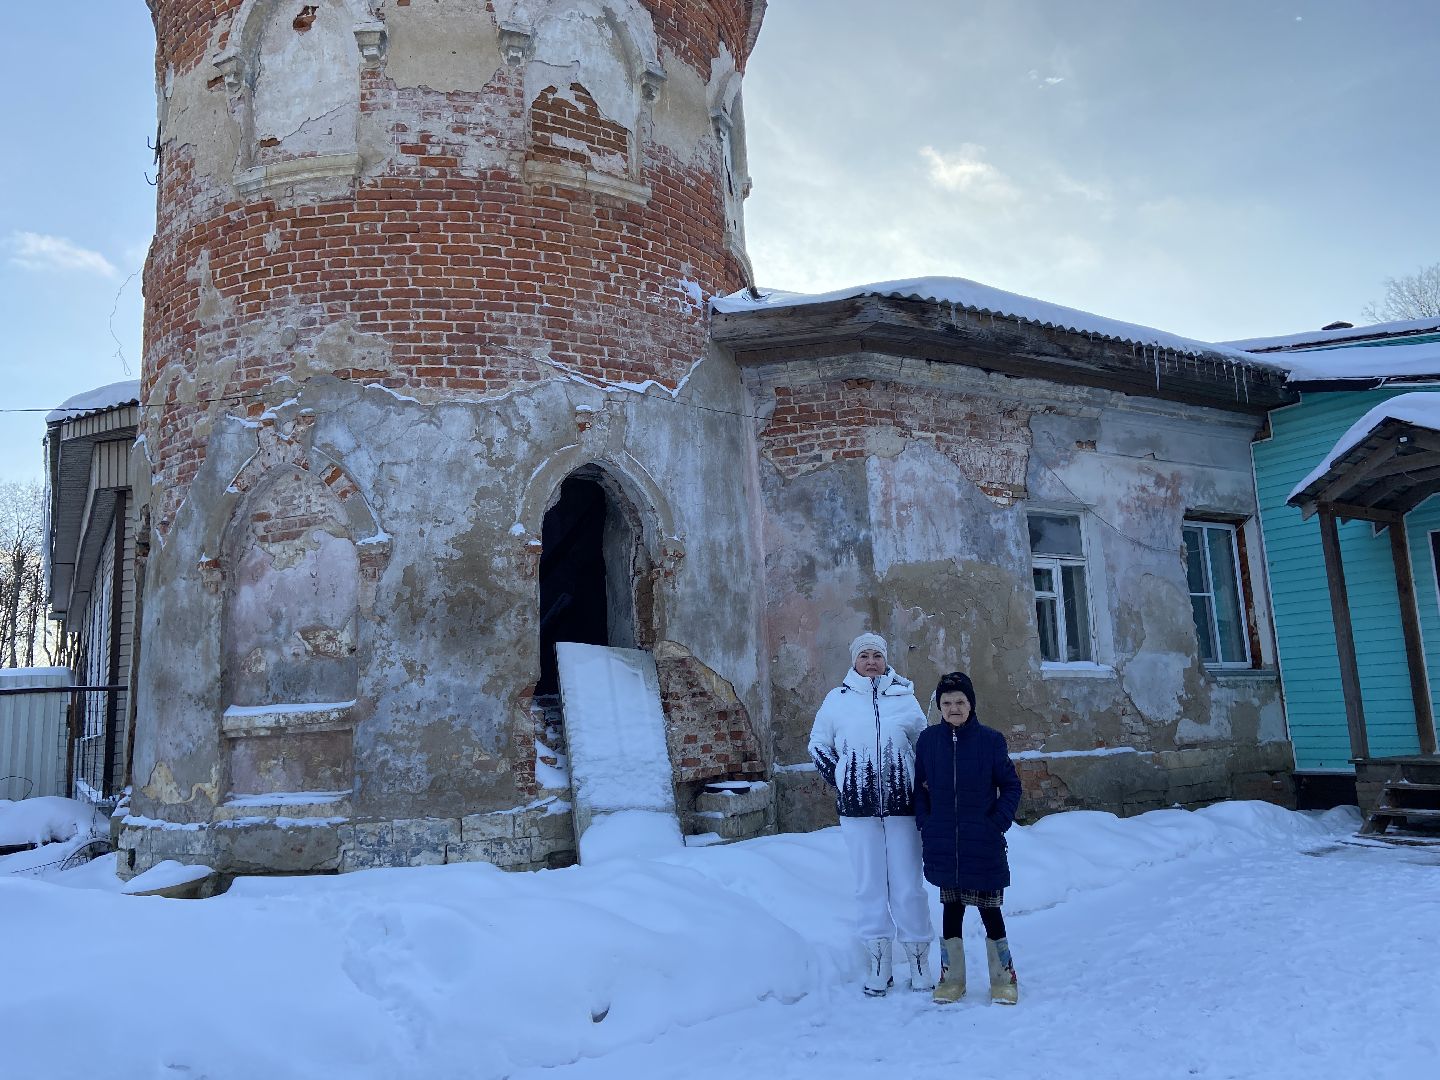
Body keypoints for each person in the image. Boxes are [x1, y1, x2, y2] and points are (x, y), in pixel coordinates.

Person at [809, 632, 934, 996]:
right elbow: (818, 743)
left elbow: (923, 745)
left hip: (903, 809)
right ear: (854, 661)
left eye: (876, 655)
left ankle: (918, 961)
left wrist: (919, 781)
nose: (870, 661)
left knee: (909, 886)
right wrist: (841, 776)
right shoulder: (837, 701)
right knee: (869, 886)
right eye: (864, 655)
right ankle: (879, 963)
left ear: (885, 660)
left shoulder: (904, 697)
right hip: (857, 811)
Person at [913, 671, 1022, 1005]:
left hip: (983, 839)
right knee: (951, 908)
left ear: (971, 704)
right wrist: (926, 823)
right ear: (939, 707)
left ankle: (1004, 979)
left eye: (960, 701)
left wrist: (998, 822)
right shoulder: (929, 741)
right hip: (945, 839)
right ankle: (952, 978)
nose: (954, 708)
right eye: (947, 703)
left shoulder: (990, 741)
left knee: (990, 911)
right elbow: (919, 787)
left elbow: (1011, 785)